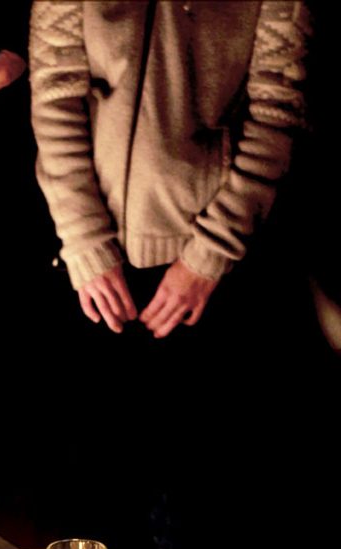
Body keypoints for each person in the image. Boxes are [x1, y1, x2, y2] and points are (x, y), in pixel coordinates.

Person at [29, 0, 312, 337]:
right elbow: (54, 93)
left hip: (209, 262)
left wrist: (211, 253)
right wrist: (84, 236)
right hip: (77, 246)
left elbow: (277, 116)